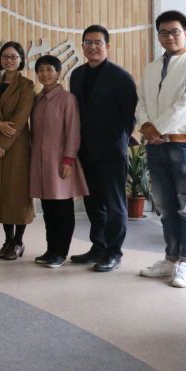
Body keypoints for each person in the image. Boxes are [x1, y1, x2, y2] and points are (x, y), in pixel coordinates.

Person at [137, 10, 186, 288]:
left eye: (175, 32)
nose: (169, 37)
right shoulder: (152, 68)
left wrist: (156, 128)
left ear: (185, 33)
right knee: (165, 207)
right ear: (158, 36)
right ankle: (170, 259)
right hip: (156, 145)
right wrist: (146, 126)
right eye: (164, 32)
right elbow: (141, 101)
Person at [69, 25, 137, 272]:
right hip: (85, 150)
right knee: (93, 202)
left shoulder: (120, 77)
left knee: (114, 204)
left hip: (111, 151)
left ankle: (113, 252)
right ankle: (98, 246)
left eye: (98, 42)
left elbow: (130, 116)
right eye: (88, 42)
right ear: (82, 46)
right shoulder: (76, 75)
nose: (93, 47)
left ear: (107, 46)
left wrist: (119, 141)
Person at [29, 55, 88, 268]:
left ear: (58, 72)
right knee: (48, 208)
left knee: (62, 208)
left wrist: (68, 159)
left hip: (60, 161)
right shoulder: (37, 99)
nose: (45, 74)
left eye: (49, 69)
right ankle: (50, 249)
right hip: (40, 162)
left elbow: (73, 131)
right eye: (40, 70)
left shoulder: (67, 99)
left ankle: (61, 252)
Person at [0, 41, 35, 260]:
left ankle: (18, 241)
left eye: (14, 57)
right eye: (5, 56)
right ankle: (8, 239)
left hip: (17, 145)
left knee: (18, 193)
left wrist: (3, 143)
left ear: (21, 60)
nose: (9, 60)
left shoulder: (27, 85)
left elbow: (21, 118)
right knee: (1, 191)